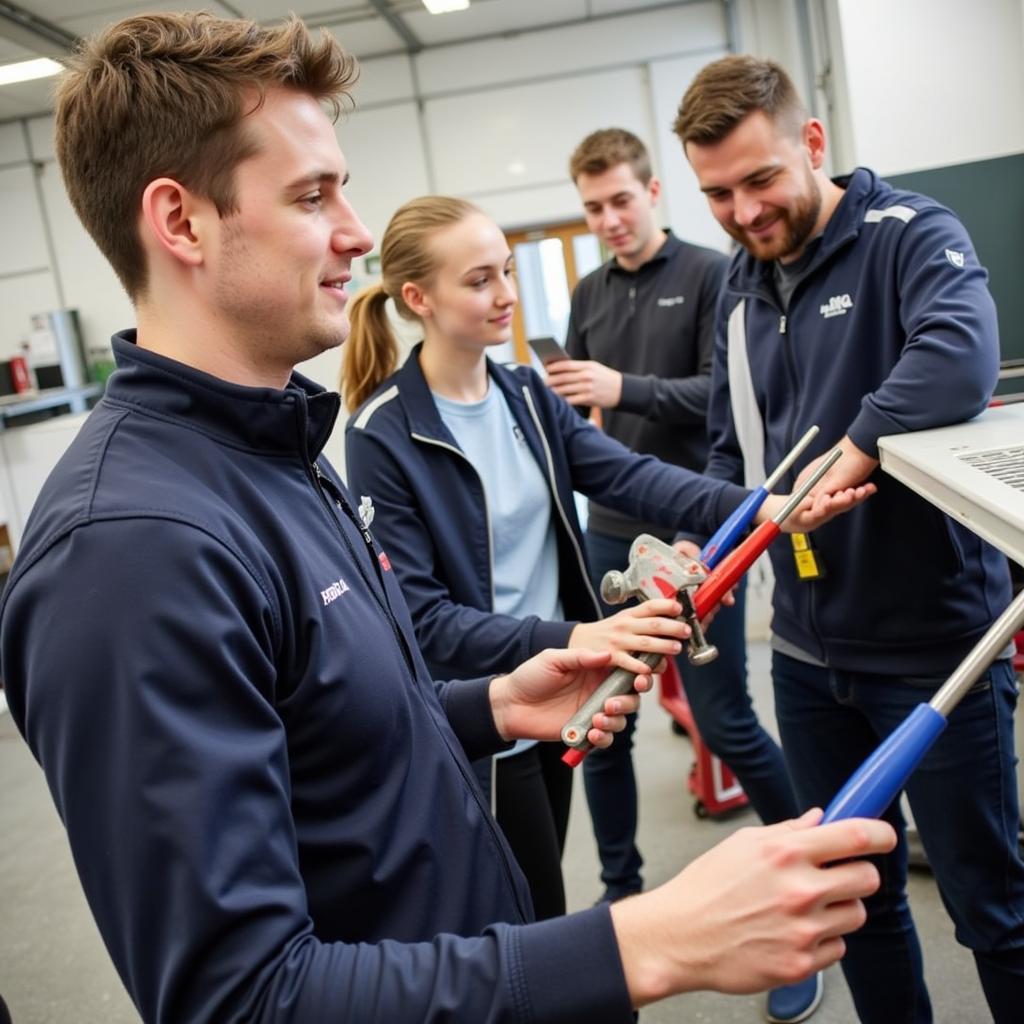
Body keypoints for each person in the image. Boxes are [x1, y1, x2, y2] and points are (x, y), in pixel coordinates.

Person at [0, 14, 894, 1024]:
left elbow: (328, 728)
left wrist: (492, 705)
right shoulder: (126, 553)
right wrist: (645, 940)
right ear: (181, 222)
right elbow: (241, 998)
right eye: (312, 193)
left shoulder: (278, 446)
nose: (351, 230)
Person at [674, 54, 1024, 1024]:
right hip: (804, 657)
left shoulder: (908, 235)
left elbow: (958, 358)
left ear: (812, 142)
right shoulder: (739, 291)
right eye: (715, 195)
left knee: (991, 909)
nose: (742, 213)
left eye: (759, 180)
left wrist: (850, 453)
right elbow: (724, 448)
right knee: (849, 906)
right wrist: (696, 547)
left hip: (934, 656)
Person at [342, 196, 697, 921]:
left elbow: (629, 476)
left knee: (537, 898)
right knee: (530, 912)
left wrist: (758, 503)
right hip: (488, 710)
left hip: (563, 686)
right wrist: (576, 637)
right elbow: (427, 623)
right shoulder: (382, 432)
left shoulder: (525, 394)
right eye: (480, 281)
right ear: (418, 298)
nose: (507, 294)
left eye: (506, 271)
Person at [549, 128, 802, 922]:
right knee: (601, 725)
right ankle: (618, 888)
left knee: (725, 717)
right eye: (593, 208)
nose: (610, 219)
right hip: (607, 531)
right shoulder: (588, 293)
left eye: (621, 200)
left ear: (653, 192)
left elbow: (716, 397)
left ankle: (805, 855)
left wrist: (625, 388)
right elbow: (588, 423)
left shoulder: (711, 273)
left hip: (693, 529)